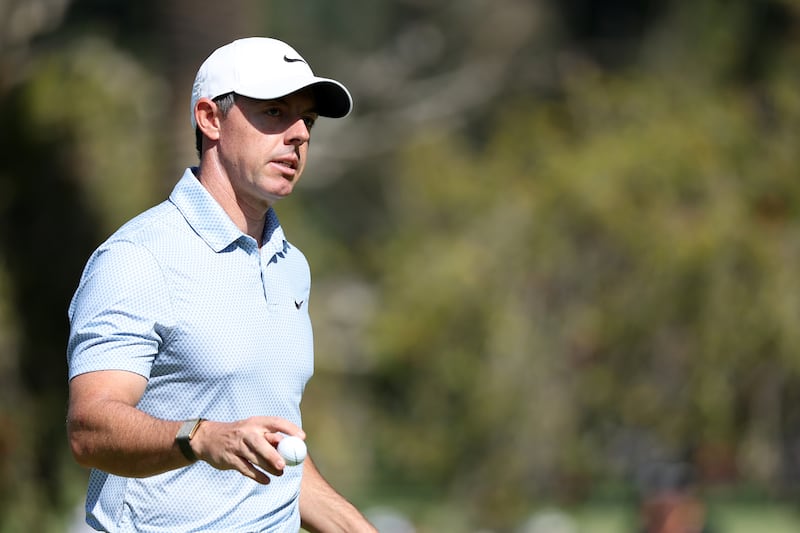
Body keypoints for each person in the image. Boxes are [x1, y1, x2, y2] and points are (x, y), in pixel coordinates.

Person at [66, 37, 377, 533]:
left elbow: (277, 462)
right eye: (275, 113)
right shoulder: (137, 258)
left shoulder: (290, 266)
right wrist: (200, 438)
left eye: (308, 121)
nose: (299, 134)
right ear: (210, 118)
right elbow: (90, 429)